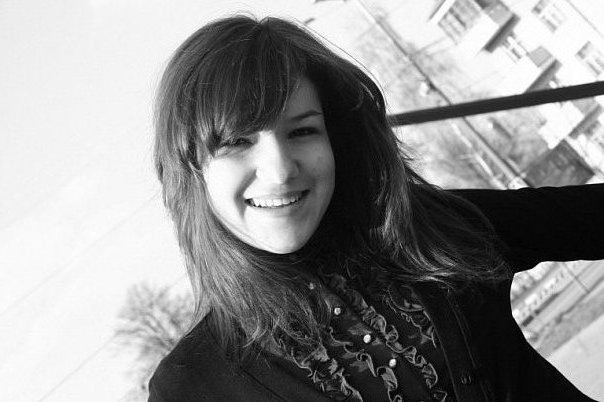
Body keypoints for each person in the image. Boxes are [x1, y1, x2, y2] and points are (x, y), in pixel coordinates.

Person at [149, 15, 604, 402]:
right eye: (237, 141)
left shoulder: (425, 230)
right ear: (191, 170)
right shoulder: (190, 386)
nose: (280, 169)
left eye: (302, 131)